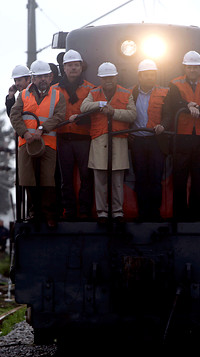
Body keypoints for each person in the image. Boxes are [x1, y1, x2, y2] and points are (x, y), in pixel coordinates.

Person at [162, 50, 200, 221]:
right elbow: (172, 102)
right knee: (179, 176)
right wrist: (188, 105)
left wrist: (199, 109)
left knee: (198, 178)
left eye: (196, 67)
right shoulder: (175, 84)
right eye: (189, 67)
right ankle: (179, 213)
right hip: (182, 137)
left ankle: (195, 213)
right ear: (184, 67)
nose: (193, 70)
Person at [10, 60, 66, 228]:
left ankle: (49, 215)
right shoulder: (23, 95)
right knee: (28, 179)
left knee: (47, 179)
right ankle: (34, 213)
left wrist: (42, 128)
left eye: (45, 76)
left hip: (48, 143)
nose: (42, 79)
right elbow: (15, 115)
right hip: (26, 144)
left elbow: (59, 116)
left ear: (50, 78)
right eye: (39, 76)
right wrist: (25, 133)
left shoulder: (58, 95)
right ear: (33, 78)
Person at [80, 62, 137, 224]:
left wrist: (113, 112)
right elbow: (84, 107)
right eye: (105, 78)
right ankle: (102, 213)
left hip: (118, 141)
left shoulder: (127, 94)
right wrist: (100, 104)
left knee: (117, 180)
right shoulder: (94, 93)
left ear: (116, 77)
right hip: (99, 141)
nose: (108, 81)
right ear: (100, 79)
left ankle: (117, 212)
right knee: (100, 179)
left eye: (111, 77)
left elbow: (132, 114)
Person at [53, 49, 96, 220]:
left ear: (81, 67)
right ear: (64, 68)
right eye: (70, 65)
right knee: (66, 179)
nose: (73, 68)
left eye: (76, 65)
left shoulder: (90, 89)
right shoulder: (54, 90)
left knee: (87, 176)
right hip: (63, 139)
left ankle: (85, 211)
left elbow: (95, 113)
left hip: (84, 139)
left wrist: (84, 120)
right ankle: (69, 211)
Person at [130, 59, 169, 221]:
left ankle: (155, 213)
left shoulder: (165, 92)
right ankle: (142, 213)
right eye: (146, 75)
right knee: (140, 178)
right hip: (137, 141)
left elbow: (170, 114)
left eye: (153, 75)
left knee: (155, 178)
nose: (150, 78)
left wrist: (163, 125)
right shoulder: (130, 93)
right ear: (139, 76)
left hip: (156, 141)